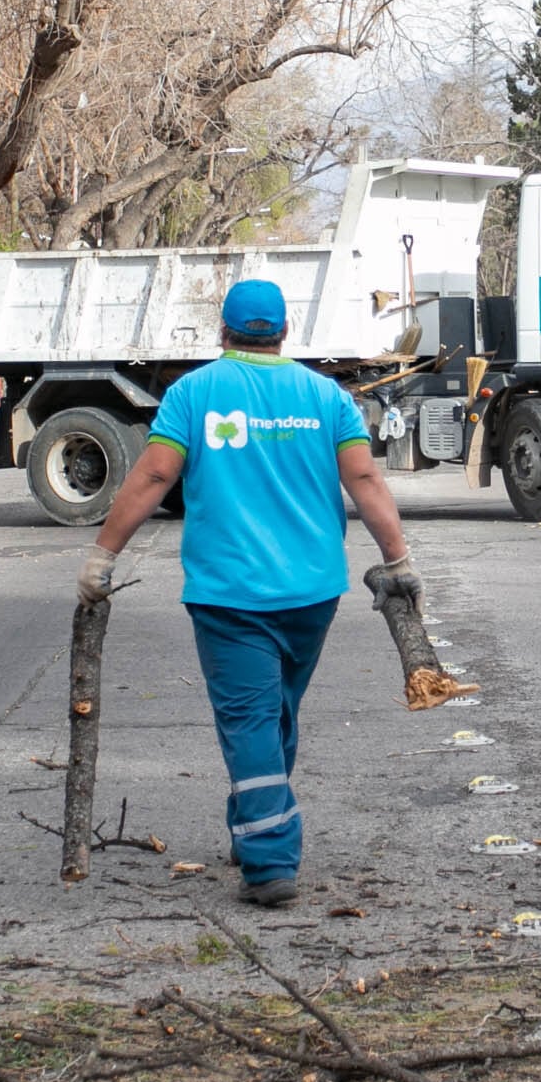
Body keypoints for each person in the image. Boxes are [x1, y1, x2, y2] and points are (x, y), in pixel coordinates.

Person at [77, 277, 414, 908]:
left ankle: (268, 861)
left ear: (223, 332)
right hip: (312, 592)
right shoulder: (325, 396)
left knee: (252, 719)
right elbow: (364, 476)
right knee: (275, 711)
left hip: (230, 594)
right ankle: (257, 820)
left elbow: (153, 474)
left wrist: (103, 554)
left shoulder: (194, 394)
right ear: (284, 331)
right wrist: (397, 559)